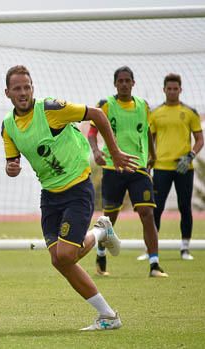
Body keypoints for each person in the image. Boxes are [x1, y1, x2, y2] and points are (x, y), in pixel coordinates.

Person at [2, 65, 135, 330]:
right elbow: (12, 163)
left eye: (27, 86)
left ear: (33, 88)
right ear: (7, 93)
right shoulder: (8, 127)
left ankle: (100, 234)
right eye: (17, 88)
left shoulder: (52, 109)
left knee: (65, 254)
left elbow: (96, 114)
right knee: (59, 260)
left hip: (77, 188)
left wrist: (115, 151)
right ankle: (107, 314)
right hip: (49, 195)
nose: (23, 92)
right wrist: (11, 168)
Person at [88, 66, 168, 278]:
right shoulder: (106, 105)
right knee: (109, 218)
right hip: (113, 169)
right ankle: (101, 252)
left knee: (147, 213)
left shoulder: (143, 106)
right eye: (120, 81)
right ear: (115, 84)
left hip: (138, 168)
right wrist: (96, 150)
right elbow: (92, 132)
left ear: (133, 83)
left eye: (127, 80)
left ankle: (154, 264)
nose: (124, 84)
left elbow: (148, 131)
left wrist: (153, 154)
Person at [149, 73, 203, 260]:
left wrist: (190, 156)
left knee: (184, 207)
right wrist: (149, 164)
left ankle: (185, 248)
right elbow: (150, 141)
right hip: (161, 168)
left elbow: (199, 139)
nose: (172, 91)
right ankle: (151, 248)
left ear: (180, 89)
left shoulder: (190, 112)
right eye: (169, 88)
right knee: (156, 208)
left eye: (175, 88)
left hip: (184, 168)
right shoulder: (155, 113)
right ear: (164, 90)